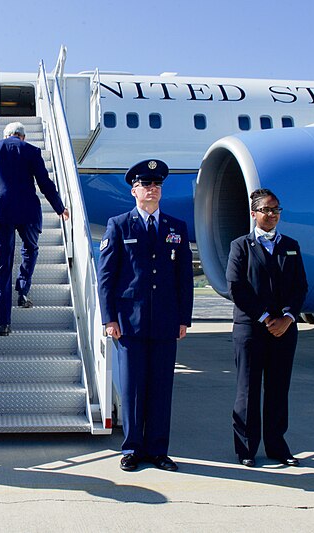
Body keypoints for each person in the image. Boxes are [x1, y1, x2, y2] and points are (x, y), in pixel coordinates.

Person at [97, 159, 193, 472]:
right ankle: (133, 449)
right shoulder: (119, 225)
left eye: (157, 185)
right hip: (129, 322)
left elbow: (184, 278)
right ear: (134, 190)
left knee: (162, 388)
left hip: (166, 320)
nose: (152, 190)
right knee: (133, 388)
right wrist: (109, 318)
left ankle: (158, 450)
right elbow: (107, 276)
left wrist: (184, 318)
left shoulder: (176, 228)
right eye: (146, 185)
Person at [226, 188, 308, 468]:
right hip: (251, 328)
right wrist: (264, 318)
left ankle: (277, 446)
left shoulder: (291, 246)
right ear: (254, 213)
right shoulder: (240, 246)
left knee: (278, 388)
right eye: (266, 210)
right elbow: (236, 287)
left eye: (276, 210)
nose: (271, 215)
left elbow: (300, 287)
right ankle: (246, 448)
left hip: (284, 329)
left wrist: (287, 317)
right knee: (247, 390)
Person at [0, 121, 69, 336]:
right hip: (28, 211)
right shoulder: (32, 151)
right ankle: (23, 289)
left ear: (6, 135)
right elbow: (45, 183)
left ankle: (4, 323)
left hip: (0, 212)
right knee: (30, 249)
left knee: (2, 267)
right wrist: (59, 208)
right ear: (22, 137)